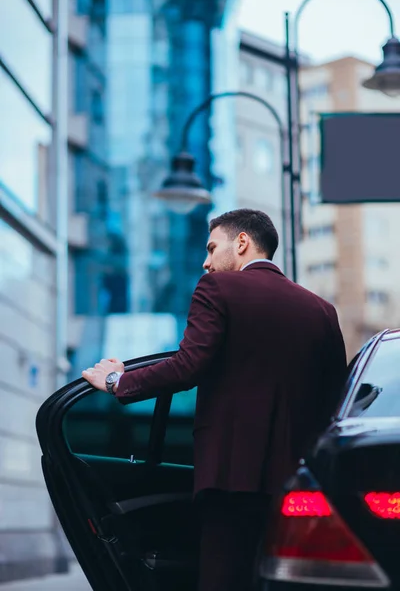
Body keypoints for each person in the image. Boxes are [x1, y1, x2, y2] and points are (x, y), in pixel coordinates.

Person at [82, 208, 347, 591]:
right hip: (301, 483)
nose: (206, 263)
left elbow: (188, 366)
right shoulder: (322, 311)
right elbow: (335, 400)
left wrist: (117, 381)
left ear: (242, 243)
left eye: (211, 248)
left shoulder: (217, 289)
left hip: (230, 479)